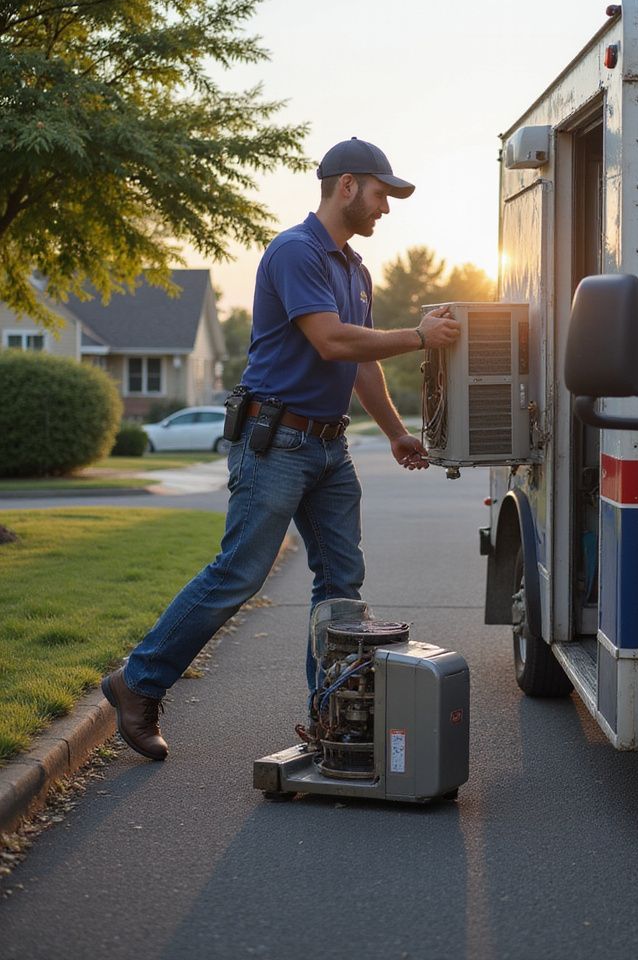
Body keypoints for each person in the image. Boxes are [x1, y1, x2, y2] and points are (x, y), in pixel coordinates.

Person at [101, 138, 460, 761]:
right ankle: (137, 683)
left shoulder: (353, 268)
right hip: (276, 442)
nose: (386, 209)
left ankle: (329, 722)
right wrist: (419, 337)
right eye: (381, 194)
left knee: (342, 586)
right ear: (346, 186)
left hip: (327, 448)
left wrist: (397, 429)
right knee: (238, 574)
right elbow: (331, 341)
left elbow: (359, 362)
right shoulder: (297, 252)